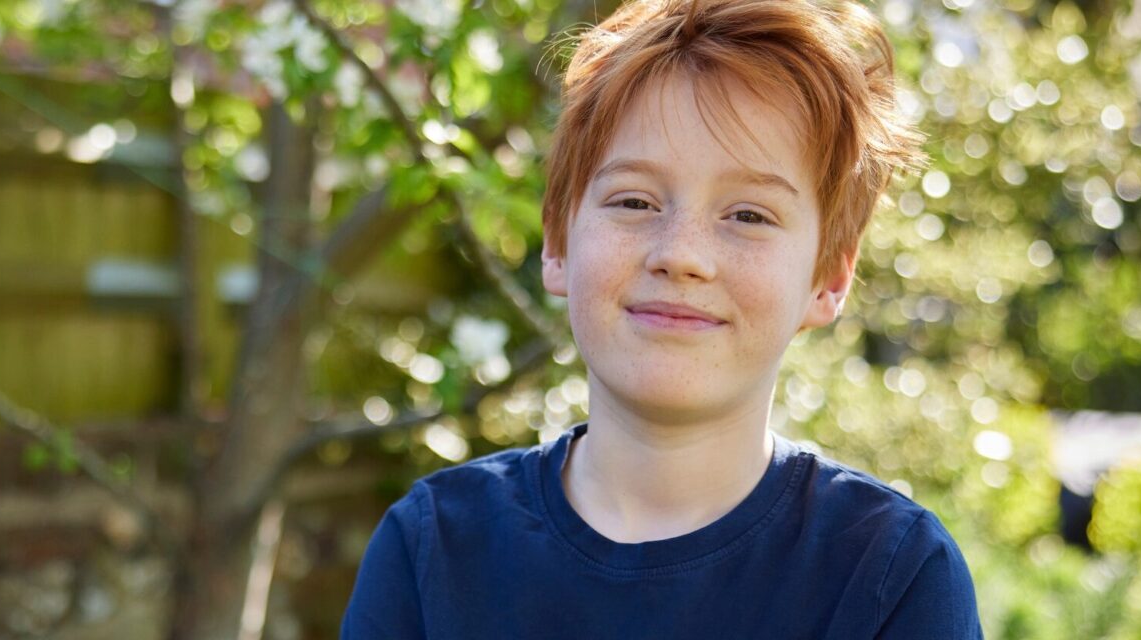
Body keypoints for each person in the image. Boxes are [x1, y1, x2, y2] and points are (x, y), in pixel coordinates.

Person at [340, 0, 982, 637]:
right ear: (558, 244)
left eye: (749, 215)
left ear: (828, 278)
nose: (680, 255)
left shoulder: (889, 575)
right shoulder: (432, 548)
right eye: (635, 200)